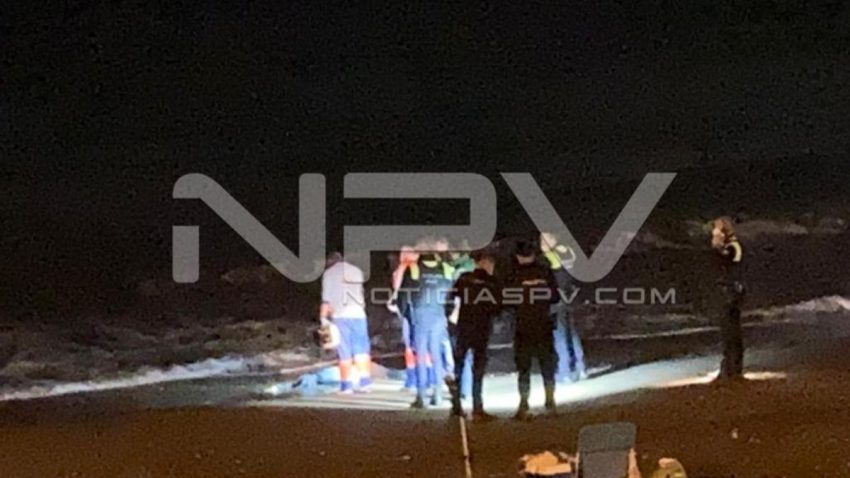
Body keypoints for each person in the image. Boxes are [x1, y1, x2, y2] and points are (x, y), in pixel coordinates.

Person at [505, 239, 560, 419]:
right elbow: (555, 297)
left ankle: (524, 404)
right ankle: (550, 402)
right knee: (547, 364)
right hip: (543, 324)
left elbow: (507, 301)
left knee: (524, 366)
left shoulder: (514, 275)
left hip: (523, 326)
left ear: (518, 257)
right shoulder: (545, 272)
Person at [397, 251, 457, 408]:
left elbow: (403, 295)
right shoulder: (446, 269)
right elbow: (452, 296)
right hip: (438, 315)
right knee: (436, 355)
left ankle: (422, 396)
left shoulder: (414, 269)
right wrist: (447, 313)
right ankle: (438, 395)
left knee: (421, 356)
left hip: (420, 315)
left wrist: (404, 315)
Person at [446, 249, 500, 420]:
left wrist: (450, 317)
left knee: (459, 366)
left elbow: (450, 299)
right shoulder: (492, 282)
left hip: (463, 327)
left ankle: (456, 406)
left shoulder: (464, 278)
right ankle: (477, 408)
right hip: (481, 329)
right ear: (486, 263)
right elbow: (497, 307)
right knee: (478, 369)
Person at [320, 252, 372, 393]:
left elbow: (326, 301)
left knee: (344, 351)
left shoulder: (329, 274)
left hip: (340, 316)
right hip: (359, 314)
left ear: (329, 262)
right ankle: (365, 382)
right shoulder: (356, 271)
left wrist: (323, 319)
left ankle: (346, 386)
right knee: (361, 349)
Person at [540, 232, 587, 383]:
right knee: (572, 333)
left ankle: (565, 371)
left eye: (543, 240)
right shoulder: (568, 251)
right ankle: (581, 368)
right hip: (570, 297)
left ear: (552, 240)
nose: (541, 244)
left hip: (556, 301)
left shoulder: (551, 256)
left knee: (559, 335)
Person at [711, 217, 745, 379]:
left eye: (717, 229)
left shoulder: (733, 247)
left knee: (731, 331)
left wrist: (717, 249)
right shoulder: (729, 248)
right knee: (728, 331)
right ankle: (730, 366)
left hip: (731, 293)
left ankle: (733, 367)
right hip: (728, 292)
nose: (714, 232)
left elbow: (731, 265)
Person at [389, 245, 421, 389]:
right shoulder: (421, 268)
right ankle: (427, 378)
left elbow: (396, 288)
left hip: (407, 310)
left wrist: (393, 301)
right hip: (419, 310)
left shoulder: (404, 267)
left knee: (410, 345)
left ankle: (412, 379)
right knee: (421, 346)